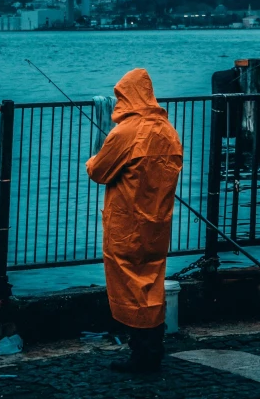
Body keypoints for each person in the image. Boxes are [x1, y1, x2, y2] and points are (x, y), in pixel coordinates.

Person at [86, 68, 183, 374]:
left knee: (130, 287)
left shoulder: (126, 132)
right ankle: (154, 347)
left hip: (126, 225)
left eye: (119, 96)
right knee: (151, 284)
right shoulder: (167, 130)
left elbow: (98, 172)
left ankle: (141, 354)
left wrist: (94, 153)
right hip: (157, 224)